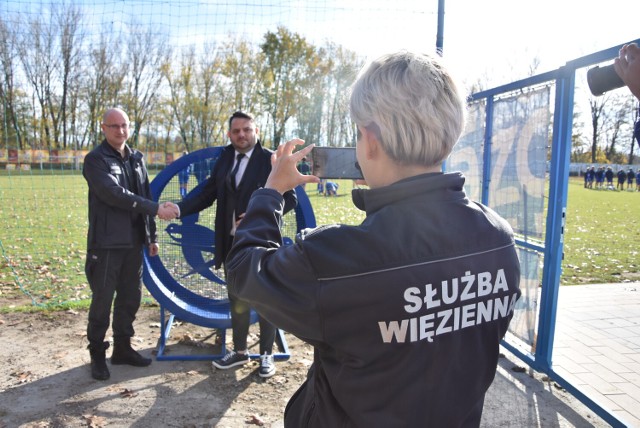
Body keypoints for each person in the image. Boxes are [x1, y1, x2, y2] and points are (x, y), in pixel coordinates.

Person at [225, 51, 522, 426]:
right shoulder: (498, 238)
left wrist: (270, 192)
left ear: (370, 140)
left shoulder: (333, 258)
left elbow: (243, 271)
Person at [172, 111, 297, 378]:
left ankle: (266, 355)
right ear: (230, 134)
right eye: (237, 131)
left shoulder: (270, 159)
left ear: (256, 131)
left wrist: (257, 215)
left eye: (247, 130)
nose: (242, 135)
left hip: (263, 242)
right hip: (231, 243)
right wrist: (180, 209)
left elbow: (291, 198)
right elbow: (208, 192)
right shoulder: (226, 157)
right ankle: (240, 352)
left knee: (266, 299)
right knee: (237, 297)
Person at [83, 108, 179, 381]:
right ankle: (97, 354)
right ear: (103, 128)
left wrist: (151, 237)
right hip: (106, 244)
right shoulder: (95, 160)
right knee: (102, 301)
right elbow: (114, 194)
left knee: (130, 298)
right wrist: (156, 208)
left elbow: (143, 194)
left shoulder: (137, 158)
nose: (120, 131)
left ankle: (123, 348)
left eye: (124, 125)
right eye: (113, 126)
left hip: (134, 242)